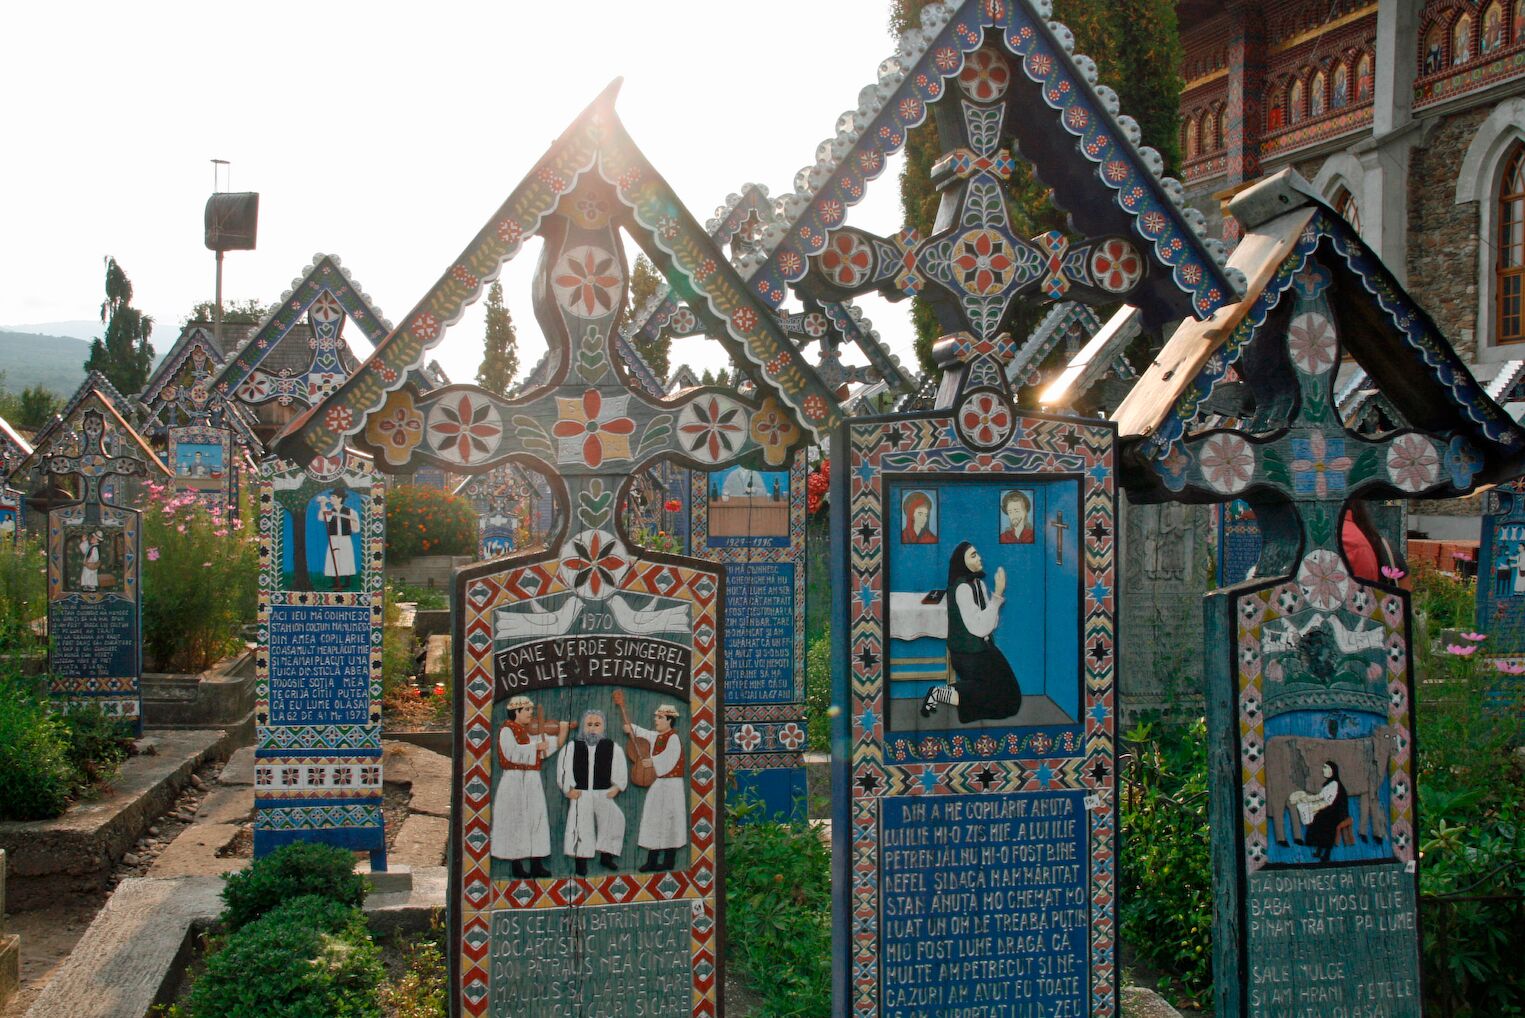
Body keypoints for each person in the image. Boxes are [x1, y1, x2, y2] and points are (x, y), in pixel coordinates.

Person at [922, 542, 1023, 723]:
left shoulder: (979, 585)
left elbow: (990, 623)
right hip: (967, 653)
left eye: (977, 554)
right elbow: (978, 628)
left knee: (1012, 697)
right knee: (996, 695)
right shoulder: (962, 589)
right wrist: (998, 595)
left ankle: (940, 693)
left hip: (983, 647)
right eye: (973, 555)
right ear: (963, 562)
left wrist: (994, 601)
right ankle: (939, 693)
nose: (979, 558)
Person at [491, 695, 568, 879]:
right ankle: (516, 865)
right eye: (527, 710)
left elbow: (544, 750)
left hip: (531, 778)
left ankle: (536, 863)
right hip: (514, 779)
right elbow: (511, 753)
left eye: (531, 710)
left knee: (536, 818)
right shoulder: (507, 730)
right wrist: (535, 747)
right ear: (516, 712)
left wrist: (561, 733)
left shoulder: (525, 732)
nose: (531, 713)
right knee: (515, 821)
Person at [556, 709, 627, 876]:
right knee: (581, 824)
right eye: (589, 725)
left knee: (614, 819)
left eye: (597, 725)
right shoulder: (572, 747)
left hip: (603, 791)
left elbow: (620, 768)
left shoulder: (611, 747)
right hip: (581, 793)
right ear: (583, 726)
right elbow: (563, 769)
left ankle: (606, 856)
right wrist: (568, 790)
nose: (593, 728)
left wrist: (616, 787)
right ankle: (581, 861)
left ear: (603, 727)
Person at [625, 704, 687, 872]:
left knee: (670, 823)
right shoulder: (657, 737)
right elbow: (645, 734)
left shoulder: (673, 738)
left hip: (672, 785)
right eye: (656, 717)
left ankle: (669, 861)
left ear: (669, 720)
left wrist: (652, 762)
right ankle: (652, 860)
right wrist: (631, 728)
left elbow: (669, 759)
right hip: (660, 785)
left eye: (660, 718)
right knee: (654, 821)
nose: (656, 720)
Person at [1288, 761, 1350, 863]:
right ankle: (1319, 850)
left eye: (1326, 767)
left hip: (1337, 812)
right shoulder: (1329, 784)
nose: (1323, 770)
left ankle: (1326, 853)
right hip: (1331, 809)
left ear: (1332, 771)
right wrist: (1306, 798)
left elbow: (1328, 802)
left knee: (1322, 819)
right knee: (1319, 817)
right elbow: (1320, 796)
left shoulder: (1334, 784)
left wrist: (1315, 807)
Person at [318, 491, 359, 590]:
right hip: (334, 538)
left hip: (345, 538)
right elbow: (322, 517)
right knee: (333, 559)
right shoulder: (330, 511)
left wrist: (354, 525)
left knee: (346, 559)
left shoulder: (350, 511)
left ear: (340, 498)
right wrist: (323, 505)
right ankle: (335, 582)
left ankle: (347, 582)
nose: (331, 498)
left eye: (333, 496)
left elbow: (356, 528)